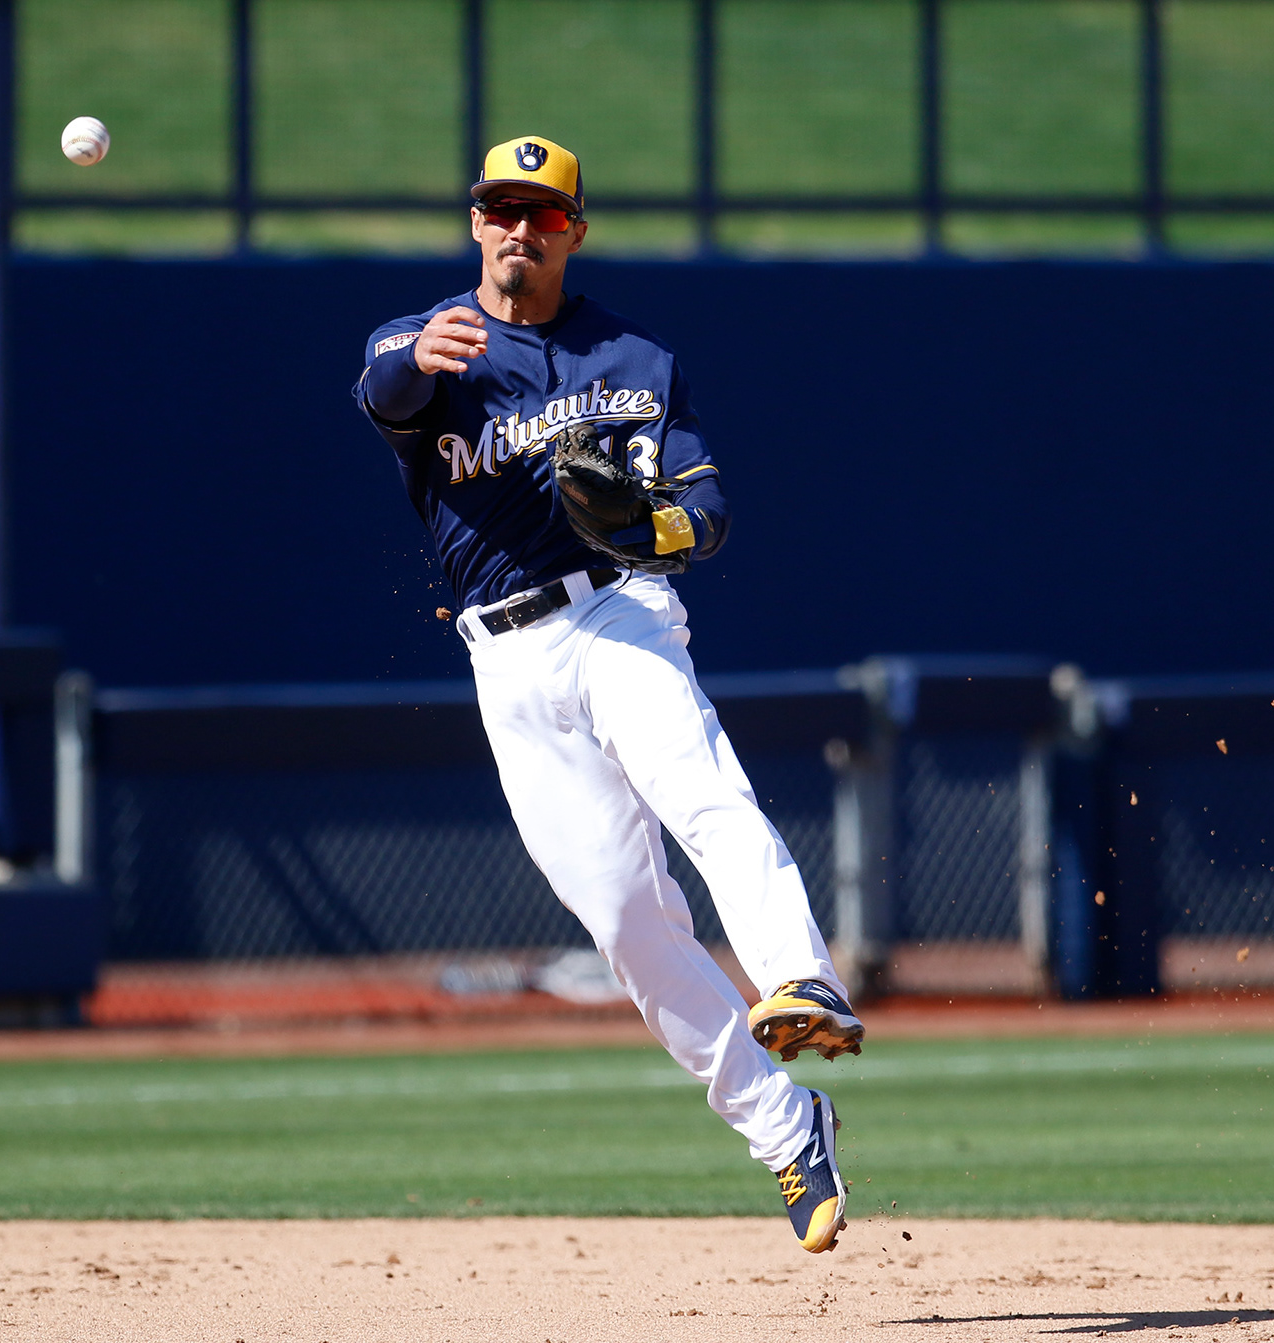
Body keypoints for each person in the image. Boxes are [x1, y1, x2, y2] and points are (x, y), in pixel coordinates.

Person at [352, 135, 866, 1253]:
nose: (517, 229)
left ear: (573, 229)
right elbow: (382, 392)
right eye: (499, 208)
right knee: (627, 923)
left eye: (540, 212)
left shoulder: (634, 356)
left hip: (616, 611)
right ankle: (787, 1125)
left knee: (698, 784)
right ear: (475, 220)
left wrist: (670, 524)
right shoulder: (427, 339)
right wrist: (415, 364)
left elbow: (705, 501)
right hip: (505, 658)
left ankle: (802, 980)